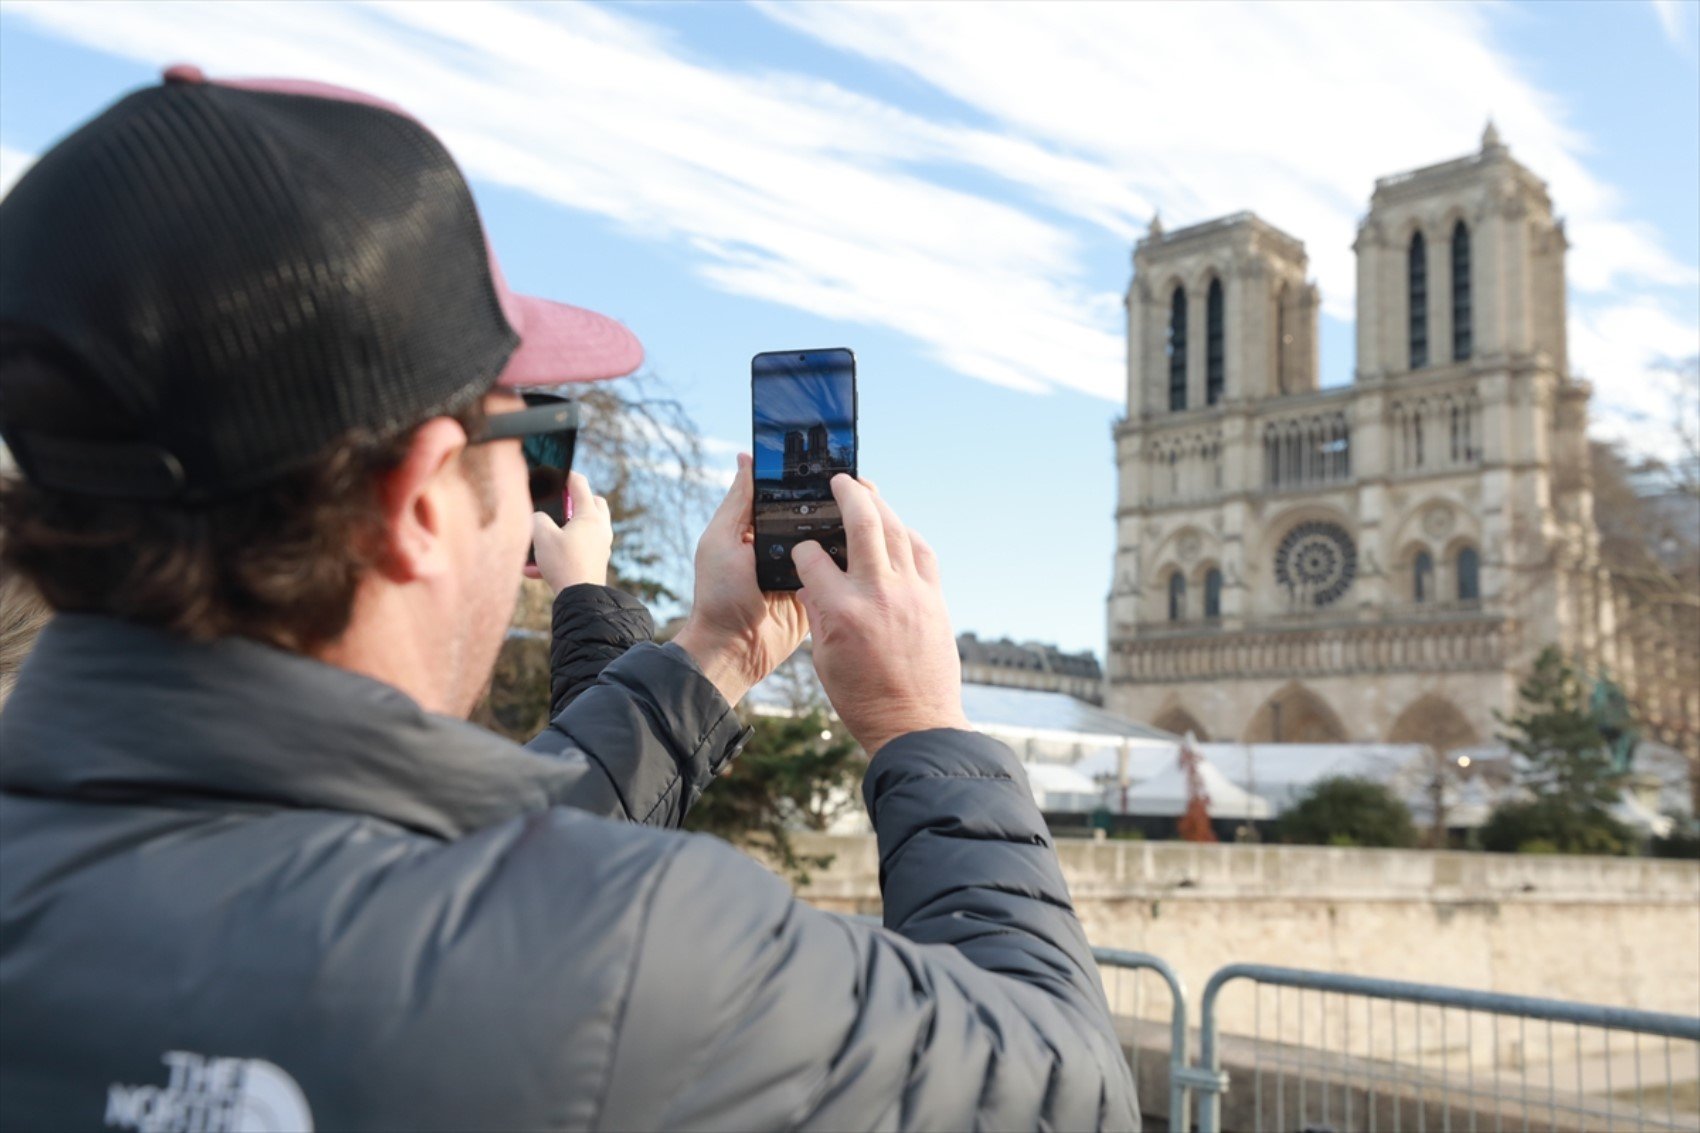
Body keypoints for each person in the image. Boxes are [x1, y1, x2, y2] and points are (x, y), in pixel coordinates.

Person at [0, 69, 1139, 1131]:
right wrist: (920, 725)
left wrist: (720, 647)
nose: (545, 486)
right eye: (535, 440)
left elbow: (481, 844)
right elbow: (1060, 1081)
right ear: (417, 505)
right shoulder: (631, 951)